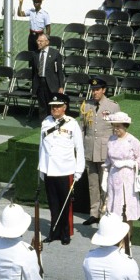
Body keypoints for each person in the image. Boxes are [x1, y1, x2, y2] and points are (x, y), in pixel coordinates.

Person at [39, 94, 85, 245]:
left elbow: (79, 148)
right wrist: (41, 168)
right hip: (49, 169)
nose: (54, 109)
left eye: (58, 106)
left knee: (65, 204)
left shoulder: (72, 124)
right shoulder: (46, 122)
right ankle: (54, 232)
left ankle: (65, 233)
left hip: (65, 170)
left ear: (64, 107)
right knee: (53, 204)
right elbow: (42, 147)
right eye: (53, 106)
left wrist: (79, 171)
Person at [80, 77, 120, 225]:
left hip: (105, 151)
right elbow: (82, 128)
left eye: (97, 90)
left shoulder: (113, 106)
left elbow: (117, 130)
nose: (95, 92)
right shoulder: (87, 105)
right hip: (90, 149)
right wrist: (81, 148)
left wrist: (114, 150)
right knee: (93, 184)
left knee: (105, 183)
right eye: (93, 90)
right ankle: (94, 212)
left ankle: (105, 211)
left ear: (104, 90)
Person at [103, 112, 140, 226]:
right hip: (113, 177)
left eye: (118, 126)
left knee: (126, 208)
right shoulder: (111, 139)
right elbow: (108, 160)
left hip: (127, 179)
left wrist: (128, 163)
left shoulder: (133, 141)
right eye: (114, 126)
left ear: (125, 126)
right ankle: (115, 234)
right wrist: (105, 176)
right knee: (113, 207)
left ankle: (127, 236)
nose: (115, 129)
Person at [31, 32, 65, 118]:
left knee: (52, 105)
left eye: (41, 41)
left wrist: (61, 86)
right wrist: (34, 86)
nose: (38, 43)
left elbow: (60, 71)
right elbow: (34, 72)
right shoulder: (35, 54)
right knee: (42, 107)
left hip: (51, 84)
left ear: (47, 42)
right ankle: (43, 123)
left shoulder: (55, 54)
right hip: (39, 83)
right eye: (38, 41)